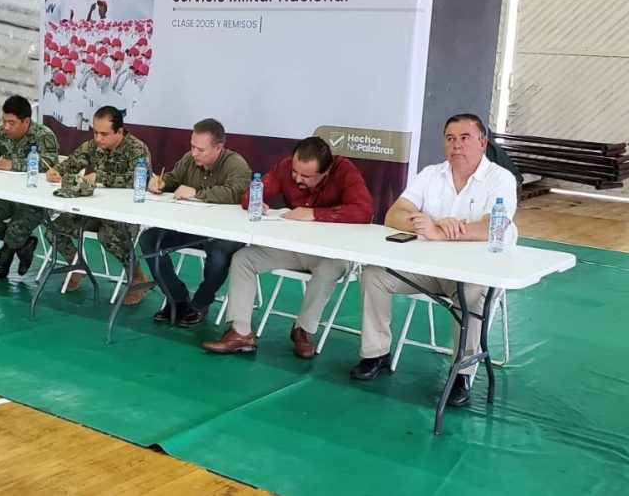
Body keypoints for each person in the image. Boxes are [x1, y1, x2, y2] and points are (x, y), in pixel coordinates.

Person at [350, 114, 518, 408]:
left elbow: (495, 227)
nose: (456, 145)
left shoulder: (500, 179)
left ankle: (462, 374)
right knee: (375, 275)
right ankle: (376, 354)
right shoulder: (431, 174)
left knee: (473, 296)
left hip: (472, 274)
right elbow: (394, 214)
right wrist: (430, 224)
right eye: (450, 139)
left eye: (464, 138)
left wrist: (441, 232)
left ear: (482, 143)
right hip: (426, 269)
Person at [203, 137, 374, 359]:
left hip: (330, 252)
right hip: (292, 245)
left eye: (306, 176)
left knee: (329, 270)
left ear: (326, 172)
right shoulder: (285, 167)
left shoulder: (344, 171)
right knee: (244, 258)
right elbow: (250, 194)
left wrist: (315, 214)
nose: (297, 178)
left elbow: (363, 211)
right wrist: (256, 201)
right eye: (295, 171)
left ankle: (303, 330)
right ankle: (240, 332)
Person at [140, 119, 251, 325]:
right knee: (149, 239)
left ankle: (200, 304)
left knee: (219, 255)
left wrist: (197, 193)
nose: (194, 153)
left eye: (200, 149)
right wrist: (160, 183)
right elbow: (173, 178)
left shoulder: (236, 164)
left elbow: (236, 193)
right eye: (192, 146)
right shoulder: (189, 159)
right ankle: (177, 299)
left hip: (225, 231)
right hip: (190, 227)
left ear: (218, 147)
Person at [44, 106, 153, 304]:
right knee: (54, 230)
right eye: (95, 132)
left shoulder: (137, 149)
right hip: (93, 210)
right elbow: (70, 164)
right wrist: (55, 171)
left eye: (104, 134)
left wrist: (100, 177)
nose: (98, 138)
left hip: (124, 213)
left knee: (108, 236)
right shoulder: (92, 146)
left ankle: (137, 277)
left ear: (119, 131)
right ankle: (76, 265)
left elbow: (139, 179)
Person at [0, 95, 59, 279]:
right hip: (7, 196)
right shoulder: (1, 133)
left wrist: (13, 164)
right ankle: (22, 243)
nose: (6, 127)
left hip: (35, 200)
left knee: (18, 225)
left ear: (26, 121)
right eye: (4, 121)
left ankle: (5, 256)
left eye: (12, 123)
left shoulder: (43, 135)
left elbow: (49, 162)